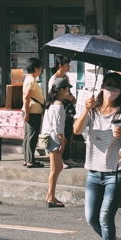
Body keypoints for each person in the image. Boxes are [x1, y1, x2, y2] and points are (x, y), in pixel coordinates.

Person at [74, 71, 121, 240]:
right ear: (101, 87)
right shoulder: (92, 110)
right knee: (91, 217)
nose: (111, 90)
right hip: (93, 171)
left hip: (115, 172)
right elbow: (76, 130)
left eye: (116, 87)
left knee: (106, 217)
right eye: (108, 86)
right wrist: (85, 109)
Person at [43, 77, 72, 207]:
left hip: (49, 137)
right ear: (61, 89)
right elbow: (58, 126)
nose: (68, 91)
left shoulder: (50, 103)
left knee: (57, 167)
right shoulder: (59, 105)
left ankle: (50, 195)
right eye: (67, 88)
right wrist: (62, 141)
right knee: (55, 169)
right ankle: (50, 196)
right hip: (55, 138)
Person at [49, 55, 78, 166]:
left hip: (68, 108)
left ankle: (67, 157)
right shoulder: (53, 79)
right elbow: (52, 95)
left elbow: (68, 92)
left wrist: (72, 98)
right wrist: (67, 98)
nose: (69, 66)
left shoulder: (66, 78)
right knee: (60, 132)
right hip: (59, 107)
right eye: (67, 64)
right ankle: (60, 158)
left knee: (68, 131)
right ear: (60, 66)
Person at [21, 58, 45, 168]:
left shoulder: (28, 79)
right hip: (33, 111)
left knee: (28, 136)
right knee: (32, 136)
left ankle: (27, 159)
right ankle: (30, 160)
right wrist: (27, 113)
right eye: (40, 68)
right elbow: (27, 98)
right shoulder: (31, 80)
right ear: (36, 69)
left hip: (31, 110)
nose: (41, 70)